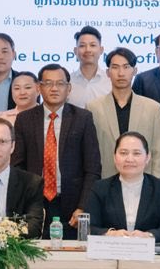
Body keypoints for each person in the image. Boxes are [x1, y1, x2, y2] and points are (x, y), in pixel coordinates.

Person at [11, 64, 100, 236]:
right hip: (34, 203)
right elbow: (17, 166)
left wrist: (83, 206)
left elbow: (93, 168)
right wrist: (23, 202)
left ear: (69, 88)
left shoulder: (82, 118)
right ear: (39, 88)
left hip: (72, 206)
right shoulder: (24, 119)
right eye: (48, 83)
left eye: (60, 83)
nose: (54, 88)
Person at [87, 47, 160, 178]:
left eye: (126, 67)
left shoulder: (152, 108)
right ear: (108, 72)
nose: (121, 73)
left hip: (144, 181)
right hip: (106, 181)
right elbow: (90, 153)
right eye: (115, 67)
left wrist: (157, 185)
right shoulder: (93, 107)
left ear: (135, 71)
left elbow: (158, 152)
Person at [86, 131, 160, 240]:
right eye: (123, 153)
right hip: (111, 248)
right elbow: (89, 227)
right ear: (114, 157)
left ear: (147, 157)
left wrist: (148, 235)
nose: (129, 159)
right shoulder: (100, 188)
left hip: (150, 249)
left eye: (136, 153)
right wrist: (110, 234)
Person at [67, 25, 111, 108]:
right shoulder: (67, 82)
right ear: (75, 51)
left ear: (101, 50)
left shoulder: (111, 82)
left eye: (92, 45)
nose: (88, 50)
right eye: (82, 46)